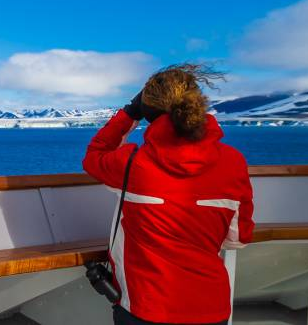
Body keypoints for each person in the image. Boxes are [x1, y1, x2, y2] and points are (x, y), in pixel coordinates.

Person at [82, 63, 254, 325]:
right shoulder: (233, 163)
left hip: (144, 309)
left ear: (148, 110)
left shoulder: (132, 164)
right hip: (211, 308)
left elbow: (95, 155)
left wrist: (129, 113)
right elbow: (238, 238)